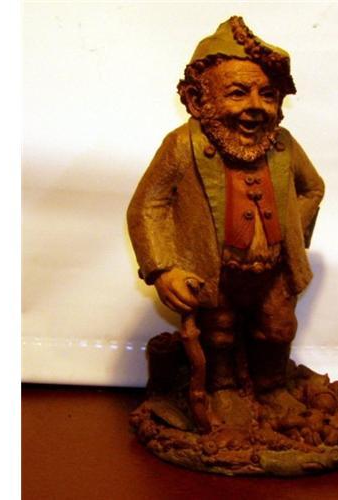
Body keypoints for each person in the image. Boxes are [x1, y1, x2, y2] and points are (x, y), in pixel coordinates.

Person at [127, 16, 325, 394]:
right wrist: (163, 269)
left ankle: (271, 390)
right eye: (237, 93)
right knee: (219, 334)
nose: (255, 106)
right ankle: (223, 391)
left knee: (278, 329)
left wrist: (290, 236)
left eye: (267, 95)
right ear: (197, 100)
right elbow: (147, 206)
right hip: (214, 272)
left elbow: (312, 189)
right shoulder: (182, 146)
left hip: (271, 274)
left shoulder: (282, 146)